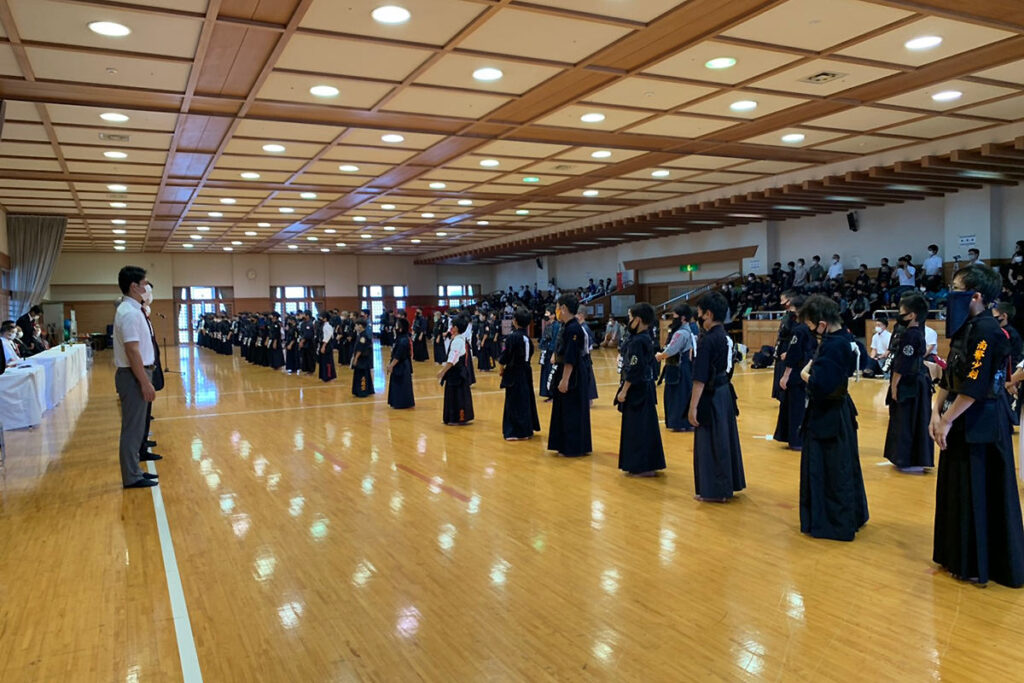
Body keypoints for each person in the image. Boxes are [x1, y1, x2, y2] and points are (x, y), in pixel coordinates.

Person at [930, 264, 1024, 587]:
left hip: (982, 421)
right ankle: (958, 557)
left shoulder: (989, 332)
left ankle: (985, 564)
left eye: (956, 287)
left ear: (976, 295)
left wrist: (946, 419)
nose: (951, 293)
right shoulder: (963, 327)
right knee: (957, 487)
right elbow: (950, 372)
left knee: (983, 490)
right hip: (957, 417)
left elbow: (975, 385)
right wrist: (934, 410)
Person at [797, 295, 869, 541]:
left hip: (827, 413)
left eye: (811, 326)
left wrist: (805, 373)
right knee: (844, 465)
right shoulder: (847, 338)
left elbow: (820, 384)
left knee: (830, 469)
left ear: (822, 323)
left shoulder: (832, 344)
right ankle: (852, 515)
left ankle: (833, 522)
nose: (811, 332)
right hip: (841, 409)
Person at [688, 291, 745, 502]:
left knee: (710, 441)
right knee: (724, 438)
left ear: (708, 314)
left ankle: (715, 490)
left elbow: (700, 377)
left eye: (700, 312)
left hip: (711, 395)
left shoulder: (707, 340)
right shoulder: (727, 337)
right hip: (724, 392)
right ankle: (728, 484)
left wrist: (693, 406)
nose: (698, 317)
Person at [113, 266, 159, 489]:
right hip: (133, 375)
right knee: (132, 428)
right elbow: (132, 351)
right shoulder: (129, 312)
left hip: (136, 373)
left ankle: (135, 470)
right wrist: (144, 381)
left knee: (137, 426)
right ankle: (131, 476)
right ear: (134, 286)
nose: (147, 287)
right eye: (144, 283)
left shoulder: (133, 309)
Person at [882, 292, 934, 472]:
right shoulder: (916, 331)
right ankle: (913, 458)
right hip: (917, 380)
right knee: (916, 418)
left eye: (902, 312)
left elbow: (902, 364)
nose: (899, 315)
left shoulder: (910, 335)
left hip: (909, 382)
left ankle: (906, 458)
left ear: (912, 315)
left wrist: (894, 386)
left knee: (906, 420)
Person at [616, 302, 666, 476]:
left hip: (638, 390)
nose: (628, 321)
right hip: (645, 387)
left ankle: (643, 465)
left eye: (630, 318)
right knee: (643, 426)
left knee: (639, 428)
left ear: (637, 320)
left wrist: (624, 390)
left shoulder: (639, 341)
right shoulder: (644, 338)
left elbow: (635, 368)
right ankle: (645, 464)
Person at [547, 294, 592, 457]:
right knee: (565, 409)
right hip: (566, 370)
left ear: (564, 308)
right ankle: (565, 444)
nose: (557, 311)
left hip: (573, 374)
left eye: (558, 307)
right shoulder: (566, 326)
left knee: (572, 409)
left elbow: (570, 357)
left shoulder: (573, 328)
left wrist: (565, 380)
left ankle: (573, 446)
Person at [775, 294, 815, 450]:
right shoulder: (810, 328)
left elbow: (794, 354)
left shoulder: (800, 330)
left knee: (795, 408)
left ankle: (796, 439)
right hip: (807, 369)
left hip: (797, 373)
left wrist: (785, 375)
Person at [498, 307, 540, 440]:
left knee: (514, 401)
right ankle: (526, 430)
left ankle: (514, 431)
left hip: (514, 371)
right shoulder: (527, 338)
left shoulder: (513, 337)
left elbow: (506, 355)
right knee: (525, 399)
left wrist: (501, 368)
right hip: (526, 371)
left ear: (515, 321)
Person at [656, 304, 695, 432]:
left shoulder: (680, 333)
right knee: (685, 394)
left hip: (678, 368)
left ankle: (678, 422)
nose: (673, 319)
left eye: (675, 316)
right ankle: (686, 421)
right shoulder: (691, 330)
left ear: (683, 318)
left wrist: (660, 356)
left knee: (678, 396)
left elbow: (671, 350)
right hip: (685, 368)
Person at [438, 316, 474, 425]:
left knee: (457, 396)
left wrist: (443, 371)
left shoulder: (458, 341)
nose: (450, 328)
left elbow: (452, 359)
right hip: (457, 373)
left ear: (456, 328)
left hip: (457, 374)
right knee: (455, 395)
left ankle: (458, 417)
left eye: (452, 326)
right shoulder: (459, 339)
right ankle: (455, 417)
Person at [387, 317, 415, 409]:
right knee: (396, 384)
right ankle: (396, 402)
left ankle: (402, 403)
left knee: (402, 384)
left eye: (397, 325)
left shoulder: (403, 340)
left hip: (402, 365)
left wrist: (391, 365)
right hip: (398, 364)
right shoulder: (399, 338)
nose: (395, 327)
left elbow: (399, 355)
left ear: (401, 328)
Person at [538, 306, 560, 402]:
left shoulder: (556, 326)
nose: (545, 315)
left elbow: (555, 341)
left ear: (553, 315)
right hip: (546, 352)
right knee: (546, 373)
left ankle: (553, 394)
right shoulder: (547, 325)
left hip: (552, 352)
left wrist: (553, 354)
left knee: (551, 373)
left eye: (547, 313)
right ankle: (547, 393)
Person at [350, 318, 374, 397]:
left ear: (360, 326)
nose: (355, 327)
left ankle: (363, 391)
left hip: (362, 359)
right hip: (361, 358)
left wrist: (356, 359)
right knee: (359, 374)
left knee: (362, 375)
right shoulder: (360, 335)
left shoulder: (363, 336)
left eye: (356, 325)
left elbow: (360, 349)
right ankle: (361, 390)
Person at [316, 312, 336, 382]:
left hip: (327, 345)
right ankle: (324, 376)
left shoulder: (328, 326)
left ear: (325, 319)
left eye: (321, 317)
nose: (320, 319)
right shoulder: (322, 325)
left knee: (328, 361)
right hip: (322, 344)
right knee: (323, 361)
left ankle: (329, 376)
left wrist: (323, 346)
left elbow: (328, 336)